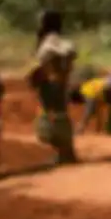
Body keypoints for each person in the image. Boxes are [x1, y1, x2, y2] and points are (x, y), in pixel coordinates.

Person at [27, 10, 79, 165]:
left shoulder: (46, 45)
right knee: (61, 114)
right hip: (63, 82)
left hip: (49, 83)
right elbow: (69, 61)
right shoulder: (65, 44)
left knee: (49, 116)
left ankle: (63, 152)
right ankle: (67, 152)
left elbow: (41, 66)